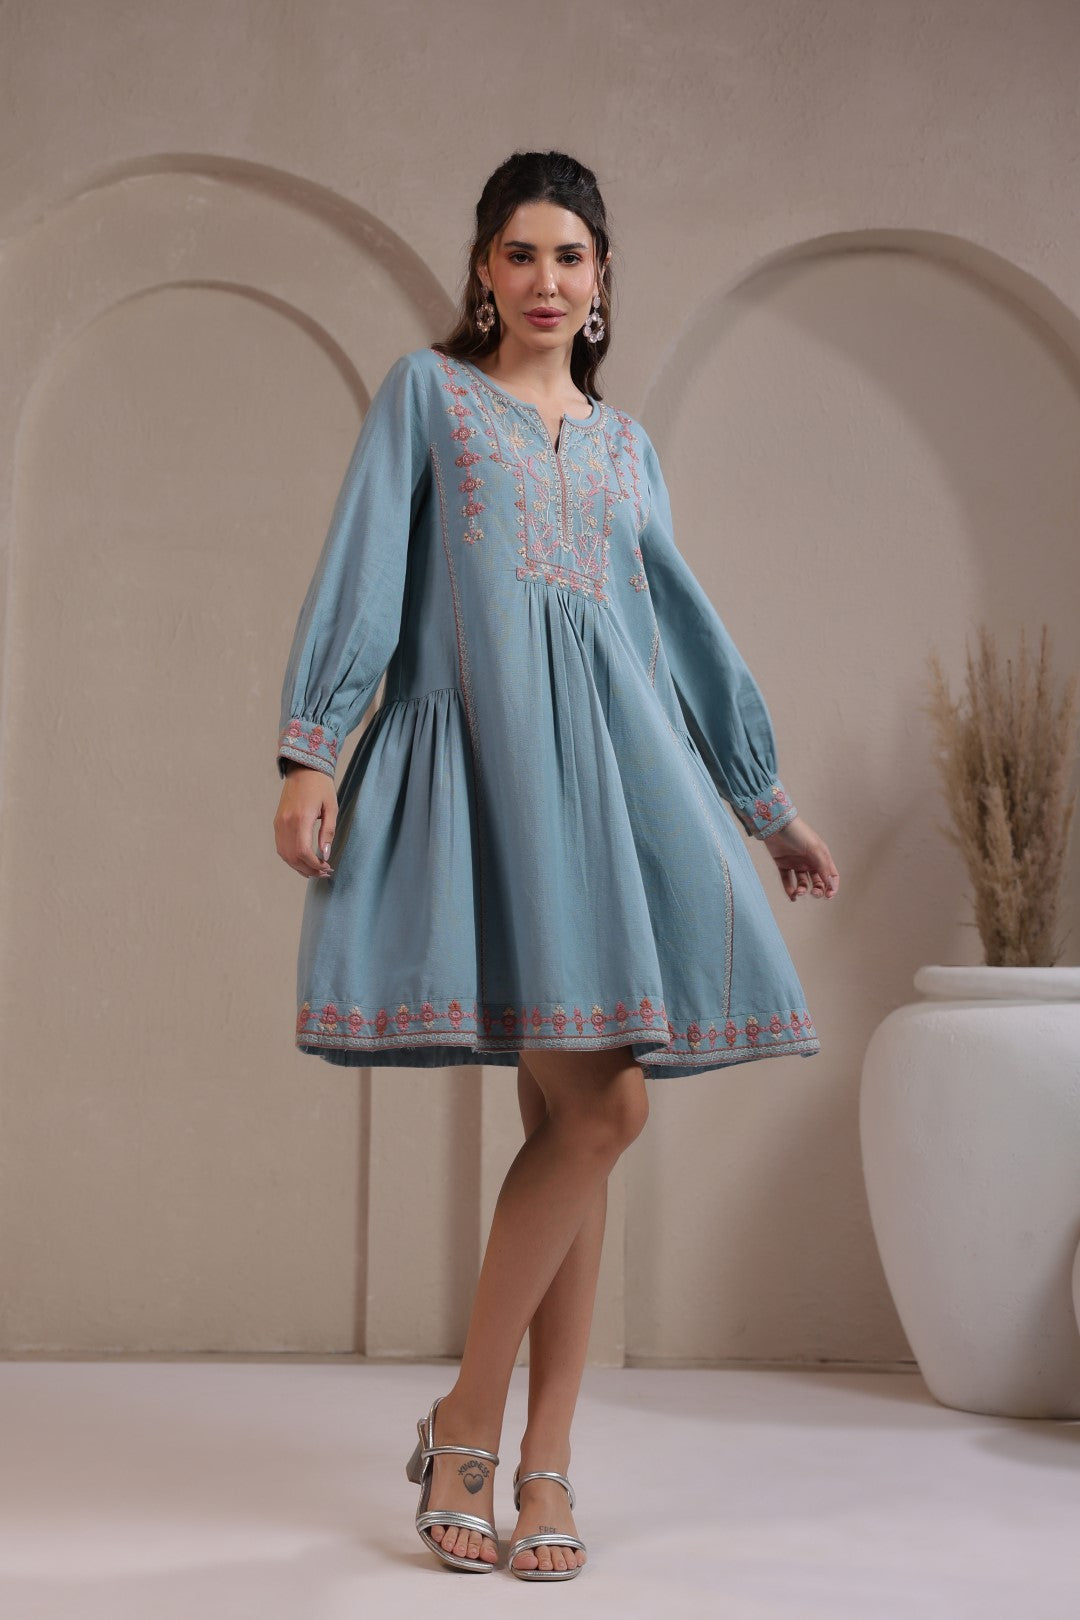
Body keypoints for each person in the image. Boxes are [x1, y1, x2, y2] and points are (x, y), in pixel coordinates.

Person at [273, 150, 839, 1581]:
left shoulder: (627, 446)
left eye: (569, 256)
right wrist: (311, 751)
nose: (544, 280)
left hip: (621, 789)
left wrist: (764, 803)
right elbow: (362, 569)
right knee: (599, 1110)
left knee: (582, 1114)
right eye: (518, 253)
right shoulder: (428, 397)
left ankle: (533, 1458)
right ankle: (483, 1430)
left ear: (601, 280)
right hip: (489, 781)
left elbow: (681, 632)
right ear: (483, 269)